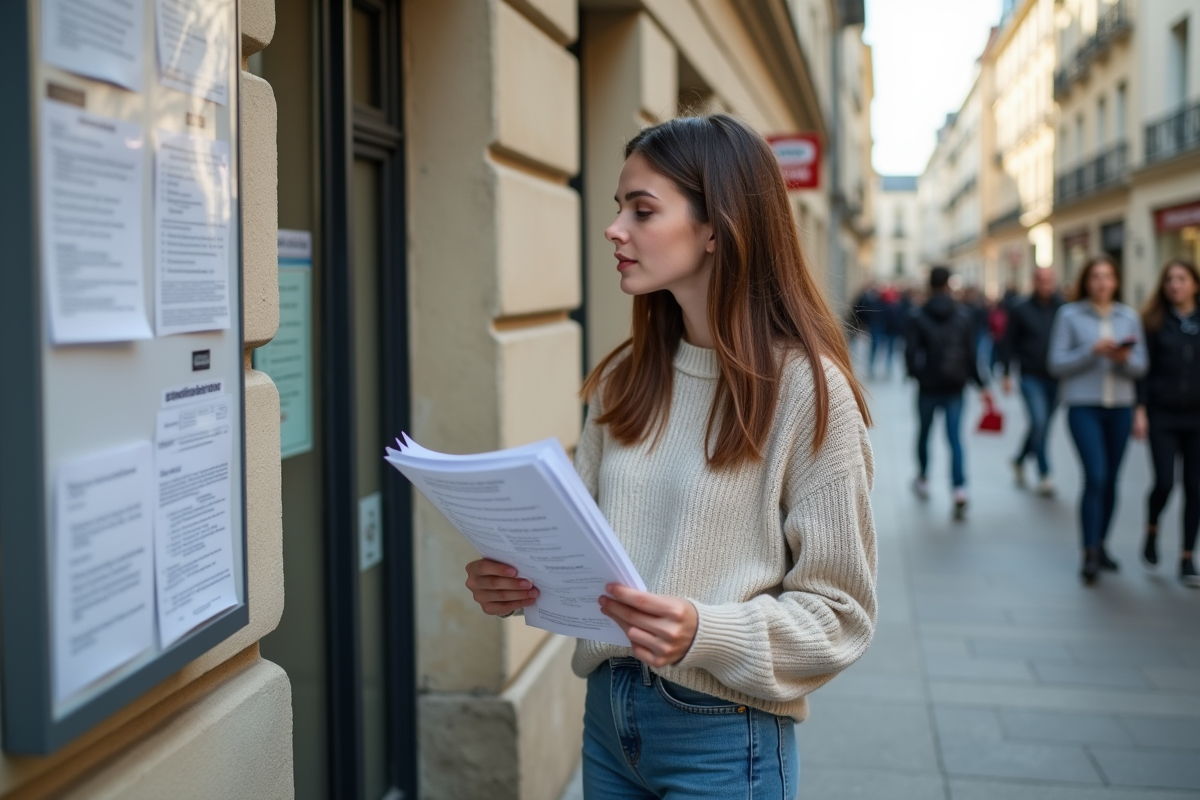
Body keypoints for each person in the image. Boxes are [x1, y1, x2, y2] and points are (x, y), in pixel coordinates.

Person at [463, 114, 878, 798]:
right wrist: (518, 579)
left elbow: (841, 614)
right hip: (608, 716)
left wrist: (704, 631)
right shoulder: (625, 378)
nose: (614, 229)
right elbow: (591, 554)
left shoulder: (807, 388)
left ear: (718, 226)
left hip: (722, 733)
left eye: (642, 209)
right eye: (619, 207)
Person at [1048, 256, 1147, 584]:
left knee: (1112, 480)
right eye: (1095, 277)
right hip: (1083, 406)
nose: (1102, 283)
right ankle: (1088, 551)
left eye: (1108, 277)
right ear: (1086, 281)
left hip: (1120, 406)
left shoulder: (1128, 316)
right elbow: (1056, 364)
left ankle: (1102, 544)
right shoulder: (1070, 314)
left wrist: (1122, 359)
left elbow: (1141, 367)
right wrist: (1091, 351)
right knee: (1096, 475)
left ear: (1116, 281)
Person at [1133, 259, 1200, 587]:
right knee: (1164, 482)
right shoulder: (1153, 323)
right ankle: (1152, 528)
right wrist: (1141, 409)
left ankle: (1187, 557)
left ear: (1195, 285)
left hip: (1197, 417)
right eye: (1170, 279)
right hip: (1162, 414)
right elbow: (1143, 372)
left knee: (1195, 488)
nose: (1175, 285)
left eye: (1182, 279)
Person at [905, 266, 990, 519]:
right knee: (955, 439)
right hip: (955, 387)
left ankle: (923, 478)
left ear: (930, 285)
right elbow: (971, 354)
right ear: (948, 285)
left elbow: (910, 352)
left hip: (928, 387)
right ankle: (959, 489)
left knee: (924, 433)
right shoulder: (964, 315)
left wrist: (918, 375)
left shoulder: (917, 315)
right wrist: (981, 384)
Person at [1001, 268, 1064, 495]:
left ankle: (1019, 459)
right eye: (1041, 280)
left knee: (1042, 426)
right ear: (1034, 282)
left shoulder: (1063, 308)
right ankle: (1045, 473)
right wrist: (1006, 374)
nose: (1045, 284)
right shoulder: (1020, 308)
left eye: (1049, 280)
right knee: (1039, 423)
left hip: (1057, 378)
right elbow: (1008, 342)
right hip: (1030, 376)